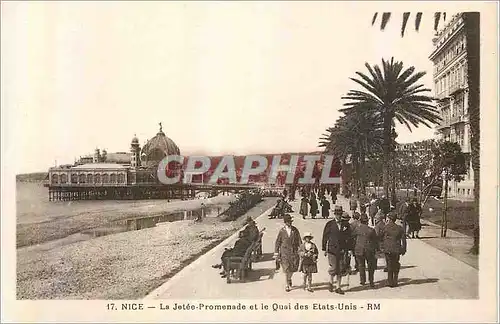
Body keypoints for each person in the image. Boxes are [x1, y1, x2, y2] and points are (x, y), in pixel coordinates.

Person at [322, 210, 351, 295]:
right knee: (334, 267)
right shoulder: (330, 224)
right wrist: (324, 248)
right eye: (337, 214)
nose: (338, 216)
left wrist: (349, 249)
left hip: (342, 249)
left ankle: (338, 287)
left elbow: (349, 237)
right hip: (332, 249)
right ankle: (331, 283)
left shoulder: (345, 225)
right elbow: (325, 236)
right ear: (334, 214)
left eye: (340, 214)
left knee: (341, 268)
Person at [274, 214, 302, 292]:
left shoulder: (295, 230)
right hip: (284, 252)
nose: (290, 223)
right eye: (288, 222)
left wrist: (301, 249)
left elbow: (299, 241)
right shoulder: (282, 231)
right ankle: (287, 285)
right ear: (285, 222)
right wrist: (276, 252)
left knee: (293, 268)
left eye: (290, 221)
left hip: (293, 252)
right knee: (286, 268)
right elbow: (278, 242)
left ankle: (289, 279)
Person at [380, 213, 407, 287]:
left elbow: (380, 238)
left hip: (388, 249)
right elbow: (404, 240)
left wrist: (382, 247)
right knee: (396, 263)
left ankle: (390, 281)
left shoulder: (385, 227)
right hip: (396, 249)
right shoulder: (400, 228)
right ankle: (395, 280)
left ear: (389, 219)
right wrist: (404, 249)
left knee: (389, 264)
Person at [352, 214, 378, 288]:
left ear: (360, 221)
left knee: (361, 265)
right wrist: (377, 250)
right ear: (367, 221)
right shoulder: (371, 230)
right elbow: (375, 241)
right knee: (370, 266)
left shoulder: (357, 229)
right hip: (369, 250)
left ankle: (362, 280)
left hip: (359, 249)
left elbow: (352, 237)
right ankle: (371, 281)